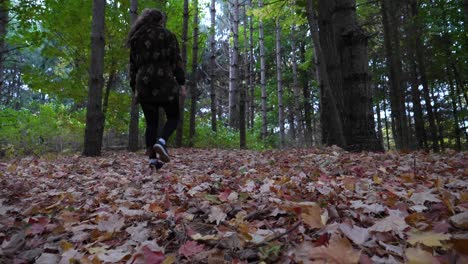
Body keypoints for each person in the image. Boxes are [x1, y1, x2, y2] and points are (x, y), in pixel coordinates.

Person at [127, 9, 186, 169]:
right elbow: (176, 61)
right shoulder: (167, 35)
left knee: (151, 123)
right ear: (160, 20)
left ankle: (153, 161)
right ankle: (161, 141)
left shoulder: (135, 38)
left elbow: (132, 66)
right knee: (173, 117)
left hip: (143, 83)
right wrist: (181, 83)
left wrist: (134, 87)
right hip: (164, 81)